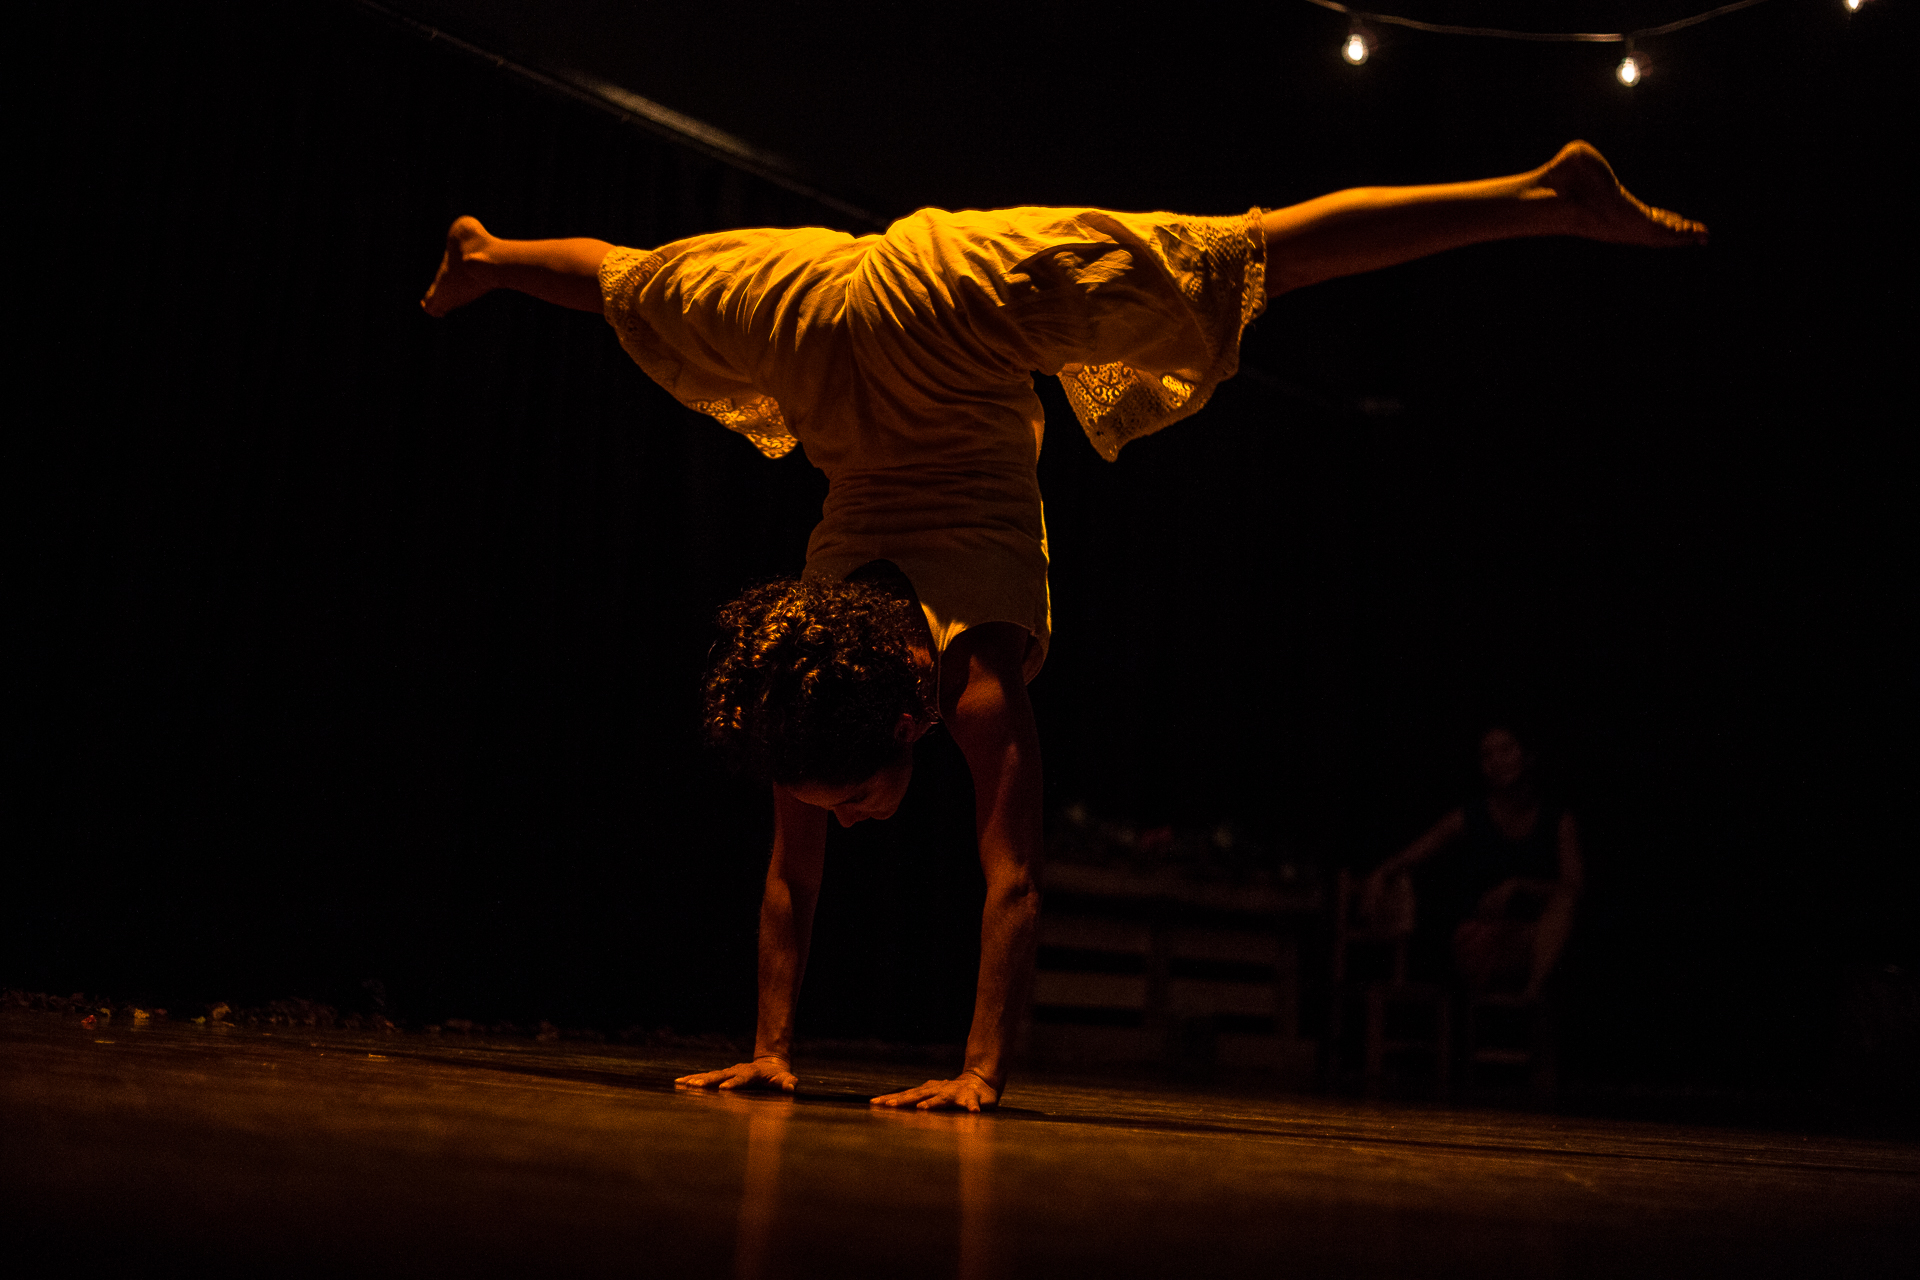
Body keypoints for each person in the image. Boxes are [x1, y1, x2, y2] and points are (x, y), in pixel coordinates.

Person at [421, 142, 1698, 1110]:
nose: (848, 819)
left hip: (939, 308)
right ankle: (487, 253)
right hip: (811, 316)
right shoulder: (806, 684)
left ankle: (1545, 193)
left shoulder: (971, 677)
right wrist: (770, 1051)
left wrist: (982, 1069)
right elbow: (790, 869)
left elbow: (1013, 880)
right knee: (639, 283)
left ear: (915, 705)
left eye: (852, 801)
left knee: (1238, 259)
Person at [1363, 726, 1586, 1002]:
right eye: (1487, 755)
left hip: (1539, 935)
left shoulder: (1558, 820)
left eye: (1506, 749)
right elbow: (1412, 855)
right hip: (1484, 936)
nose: (1496, 761)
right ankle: (1527, 1001)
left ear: (1528, 756)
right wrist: (1381, 872)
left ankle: (1531, 997)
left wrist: (1520, 886)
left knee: (1561, 915)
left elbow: (1574, 888)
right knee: (1491, 939)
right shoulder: (1470, 817)